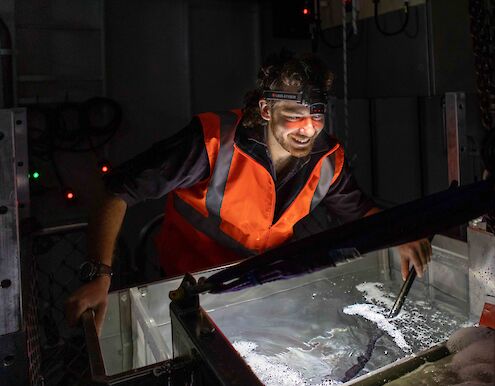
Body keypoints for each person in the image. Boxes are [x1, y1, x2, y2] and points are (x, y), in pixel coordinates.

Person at [65, 51, 432, 332]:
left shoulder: (327, 161)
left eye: (317, 115)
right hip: (184, 291)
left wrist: (397, 232)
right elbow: (115, 191)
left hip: (260, 289)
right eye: (294, 113)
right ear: (266, 109)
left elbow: (361, 213)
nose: (308, 128)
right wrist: (99, 275)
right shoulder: (212, 142)